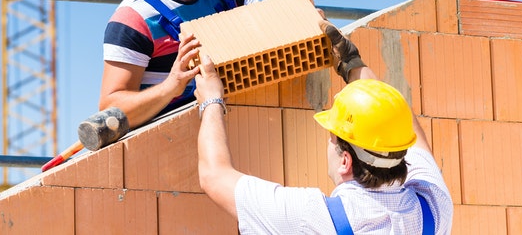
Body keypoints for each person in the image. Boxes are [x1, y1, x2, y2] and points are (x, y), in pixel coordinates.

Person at [192, 20, 454, 234]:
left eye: (332, 137)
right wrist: (351, 64)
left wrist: (211, 99)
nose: (328, 143)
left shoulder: (313, 220)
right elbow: (396, 117)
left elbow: (214, 176)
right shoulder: (433, 209)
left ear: (345, 161)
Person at [99, 0, 259, 128]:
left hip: (242, 130)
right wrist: (170, 87)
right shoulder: (135, 18)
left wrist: (301, 23)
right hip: (172, 145)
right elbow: (110, 113)